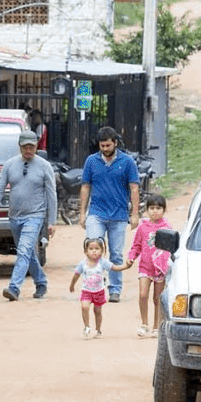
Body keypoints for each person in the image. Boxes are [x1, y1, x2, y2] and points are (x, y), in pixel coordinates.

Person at [0, 131, 56, 302]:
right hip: (15, 217)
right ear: (19, 146)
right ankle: (41, 282)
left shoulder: (44, 166)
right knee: (27, 253)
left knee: (24, 250)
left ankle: (14, 288)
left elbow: (51, 194)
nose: (28, 150)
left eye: (31, 146)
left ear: (36, 146)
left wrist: (52, 221)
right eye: (25, 146)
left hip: (35, 215)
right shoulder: (10, 165)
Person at [78, 126, 141, 303]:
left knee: (116, 254)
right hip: (96, 213)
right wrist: (82, 213)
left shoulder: (127, 162)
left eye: (108, 145)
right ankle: (93, 285)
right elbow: (85, 187)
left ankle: (114, 289)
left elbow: (134, 188)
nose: (105, 149)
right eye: (102, 146)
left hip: (119, 215)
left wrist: (134, 214)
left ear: (115, 143)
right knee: (93, 249)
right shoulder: (91, 161)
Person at [127, 193, 173, 338]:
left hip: (160, 268)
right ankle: (144, 324)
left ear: (164, 210)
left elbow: (171, 249)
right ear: (147, 210)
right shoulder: (143, 227)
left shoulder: (167, 228)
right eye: (152, 208)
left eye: (158, 208)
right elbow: (137, 246)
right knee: (142, 294)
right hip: (145, 266)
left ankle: (156, 326)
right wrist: (131, 257)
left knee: (157, 298)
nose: (155, 211)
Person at [69, 237, 125, 338]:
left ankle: (98, 330)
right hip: (86, 291)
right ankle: (86, 326)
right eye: (91, 249)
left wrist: (126, 266)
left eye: (97, 249)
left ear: (102, 250)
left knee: (98, 311)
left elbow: (115, 268)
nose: (94, 251)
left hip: (99, 292)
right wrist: (72, 285)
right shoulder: (83, 264)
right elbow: (76, 275)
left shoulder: (103, 262)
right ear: (85, 251)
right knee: (84, 307)